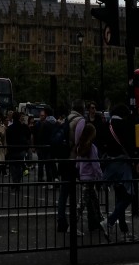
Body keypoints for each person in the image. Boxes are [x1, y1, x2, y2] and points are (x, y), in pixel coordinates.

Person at [101, 103, 139, 240]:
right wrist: (136, 161)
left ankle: (123, 230)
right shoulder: (124, 125)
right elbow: (129, 145)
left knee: (120, 196)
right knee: (129, 195)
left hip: (110, 164)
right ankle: (109, 221)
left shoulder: (107, 125)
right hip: (122, 164)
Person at [56, 99, 86, 233]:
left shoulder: (68, 118)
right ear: (82, 109)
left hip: (63, 158)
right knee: (75, 193)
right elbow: (80, 141)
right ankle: (73, 225)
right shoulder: (80, 121)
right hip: (73, 159)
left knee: (64, 193)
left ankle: (61, 221)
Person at [75, 121, 104, 236]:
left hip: (83, 176)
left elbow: (78, 163)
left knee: (94, 201)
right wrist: (100, 176)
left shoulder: (80, 146)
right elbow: (95, 164)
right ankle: (72, 225)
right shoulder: (92, 147)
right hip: (90, 177)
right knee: (82, 203)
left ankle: (101, 221)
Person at [5, 111, 30, 189]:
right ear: (19, 117)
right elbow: (28, 136)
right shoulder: (23, 127)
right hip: (21, 149)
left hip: (12, 149)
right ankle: (18, 182)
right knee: (19, 166)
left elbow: (7, 139)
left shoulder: (9, 128)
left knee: (13, 167)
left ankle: (15, 181)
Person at [34, 107, 57, 183]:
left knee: (45, 164)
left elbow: (39, 136)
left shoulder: (44, 124)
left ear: (46, 115)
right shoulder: (56, 122)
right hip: (53, 146)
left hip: (44, 146)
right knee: (52, 163)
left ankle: (49, 180)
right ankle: (55, 178)